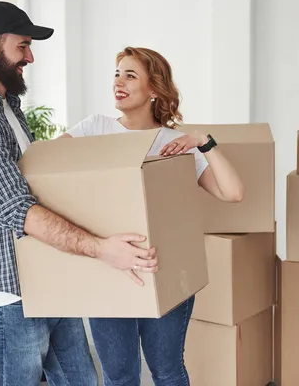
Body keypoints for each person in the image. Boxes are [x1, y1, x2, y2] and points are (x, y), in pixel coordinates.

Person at [0, 3, 159, 386]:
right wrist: (101, 248)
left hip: (45, 278)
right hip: (6, 293)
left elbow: (43, 186)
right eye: (23, 46)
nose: (30, 57)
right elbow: (17, 209)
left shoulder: (7, 107)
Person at [59, 46, 245, 385]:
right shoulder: (94, 128)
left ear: (154, 89)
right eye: (117, 73)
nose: (119, 82)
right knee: (120, 376)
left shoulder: (175, 141)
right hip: (110, 270)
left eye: (131, 76)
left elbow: (232, 192)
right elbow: (50, 168)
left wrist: (203, 140)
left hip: (166, 268)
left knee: (168, 370)